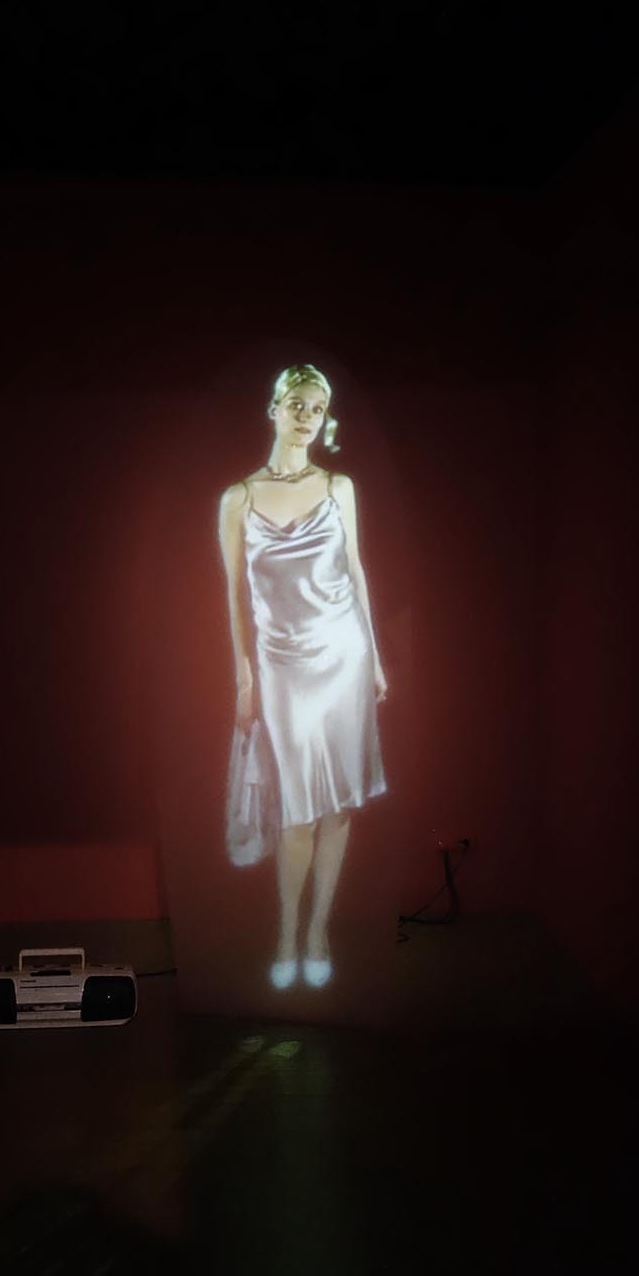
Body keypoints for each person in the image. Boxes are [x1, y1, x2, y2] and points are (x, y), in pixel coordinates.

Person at [218, 364, 387, 990]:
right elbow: (235, 596)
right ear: (274, 408)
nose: (306, 417)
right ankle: (288, 931)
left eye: (317, 408)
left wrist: (376, 658)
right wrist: (244, 681)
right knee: (296, 810)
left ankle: (318, 931)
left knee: (337, 804)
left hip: (344, 657)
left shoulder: (339, 486)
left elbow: (357, 572)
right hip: (282, 665)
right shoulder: (238, 498)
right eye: (296, 404)